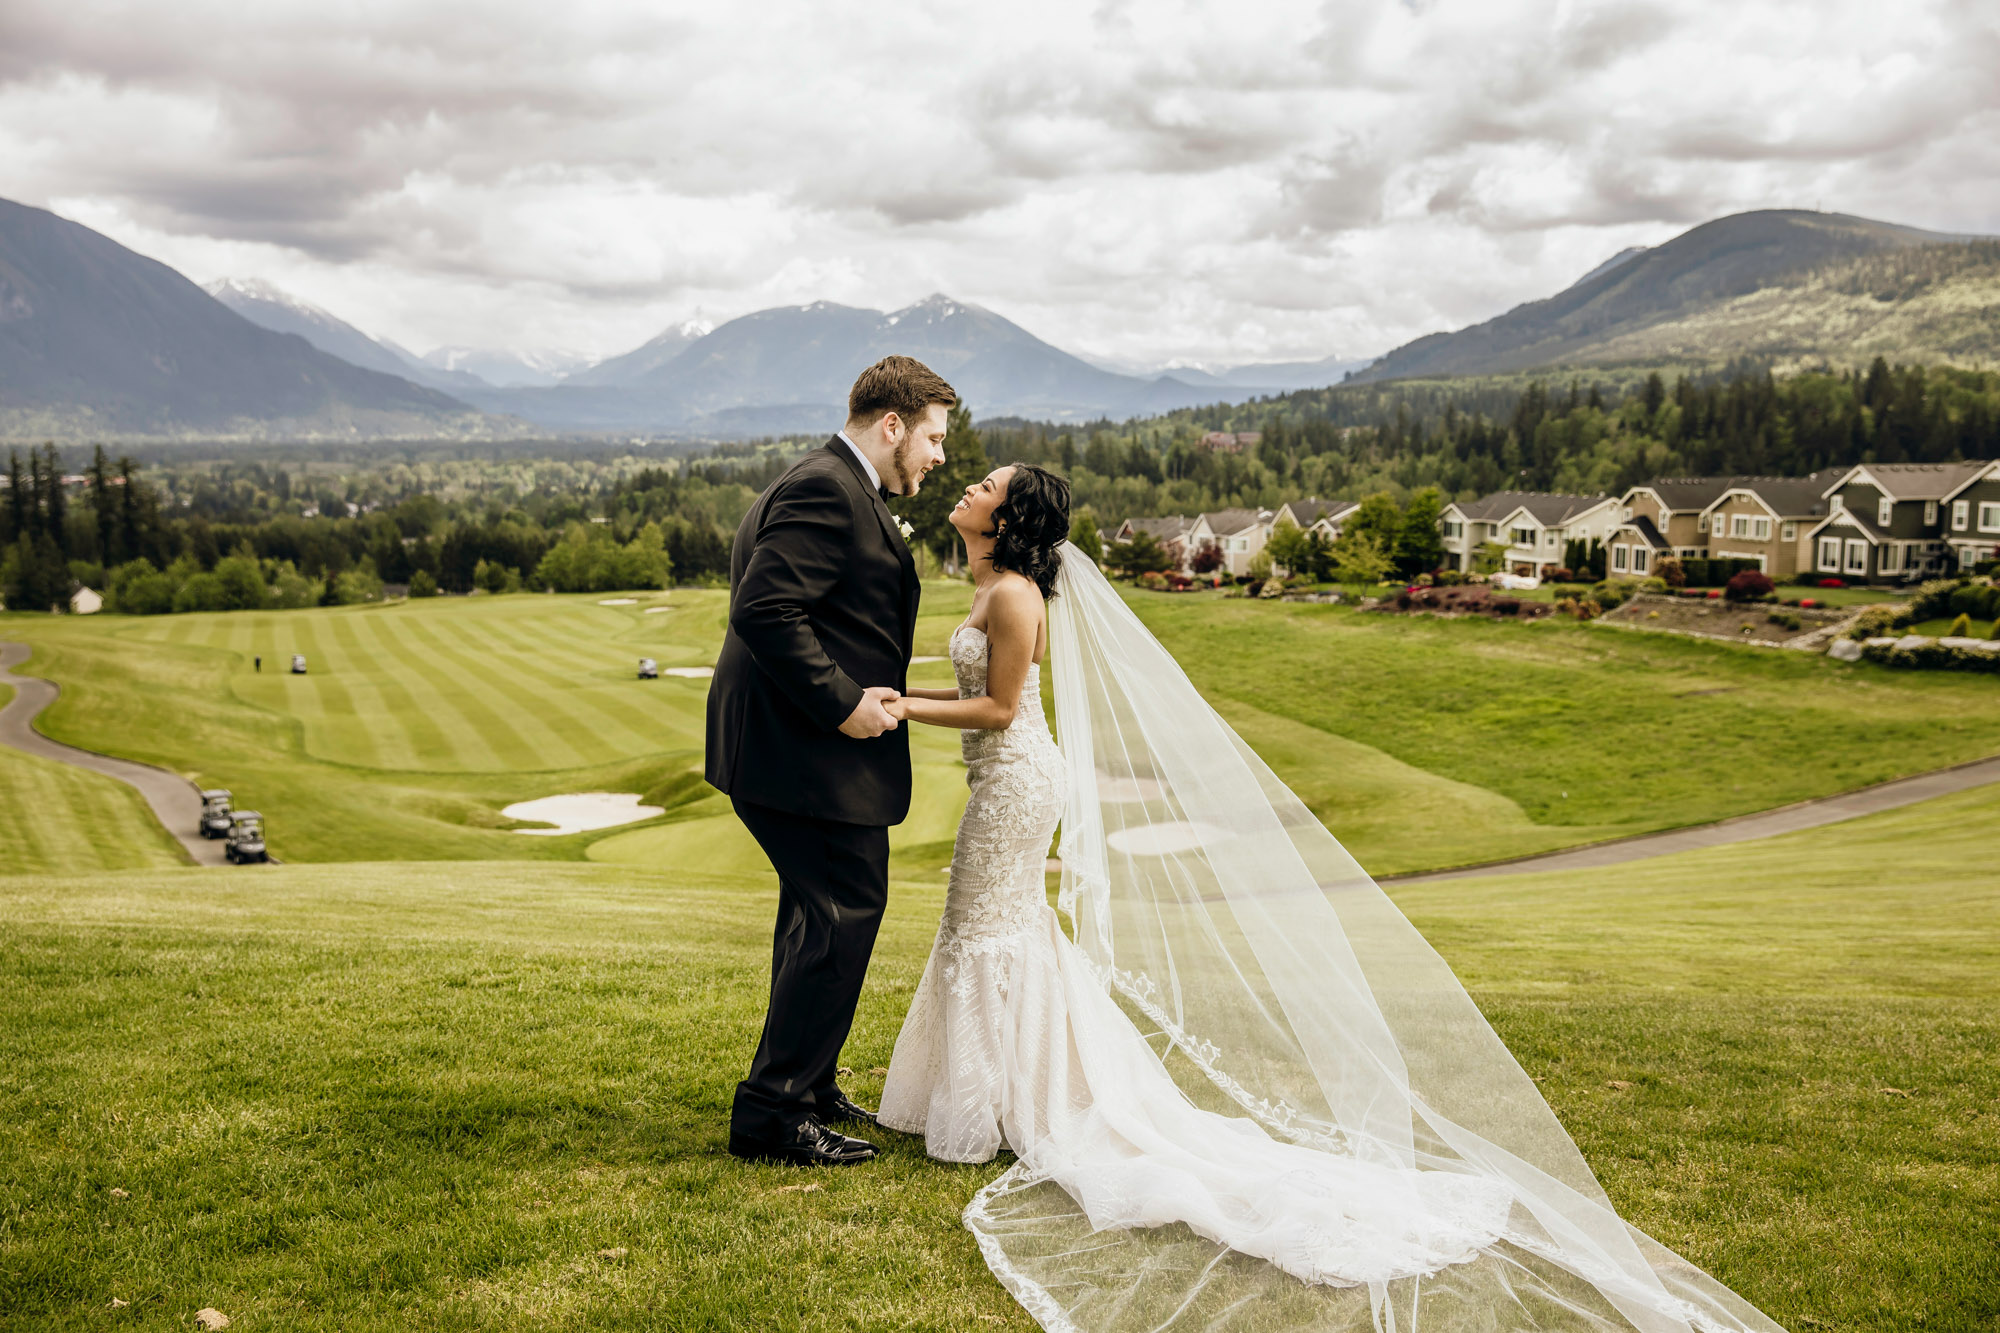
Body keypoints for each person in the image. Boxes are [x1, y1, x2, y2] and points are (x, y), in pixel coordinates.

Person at [878, 466, 1785, 1333]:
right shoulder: (991, 587)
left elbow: (1001, 710)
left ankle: (1004, 1102)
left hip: (1015, 781)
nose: (970, 488)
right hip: (1006, 781)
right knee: (996, 932)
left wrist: (903, 707)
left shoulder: (1015, 596)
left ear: (1011, 518)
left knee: (986, 931)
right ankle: (996, 1096)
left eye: (987, 486)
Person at [704, 355, 953, 1168]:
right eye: (934, 437)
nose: (939, 457)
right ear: (893, 425)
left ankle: (805, 1087)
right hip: (802, 750)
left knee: (819, 916)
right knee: (843, 910)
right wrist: (845, 701)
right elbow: (766, 608)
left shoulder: (824, 481)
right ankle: (772, 1116)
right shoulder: (826, 489)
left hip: (791, 751)